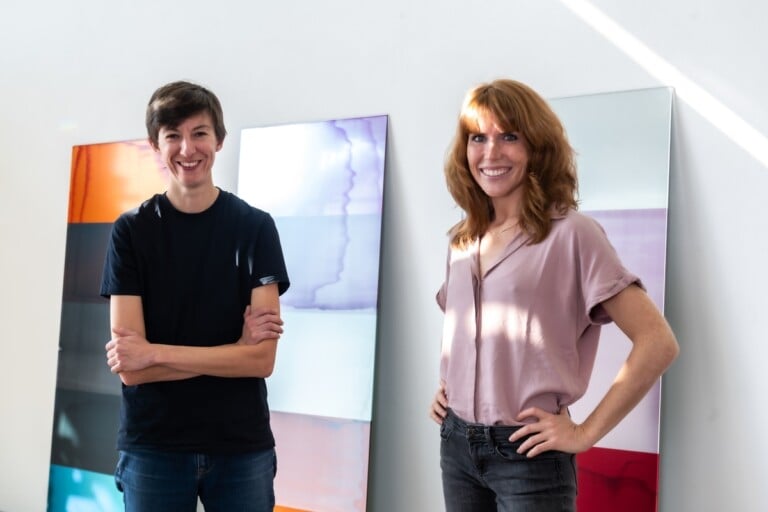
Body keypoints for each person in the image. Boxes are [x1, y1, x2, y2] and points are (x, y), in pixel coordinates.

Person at [429, 79, 679, 512]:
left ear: (537, 147)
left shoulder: (573, 235)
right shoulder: (462, 240)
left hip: (528, 457)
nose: (491, 153)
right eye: (478, 138)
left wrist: (584, 433)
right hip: (456, 444)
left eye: (509, 136)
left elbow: (658, 342)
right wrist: (449, 387)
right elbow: (468, 332)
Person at [101, 80, 290, 512]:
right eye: (173, 135)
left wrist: (156, 354)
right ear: (155, 144)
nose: (188, 148)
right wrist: (234, 352)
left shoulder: (255, 228)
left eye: (200, 133)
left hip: (241, 446)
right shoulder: (130, 232)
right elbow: (131, 367)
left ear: (219, 140)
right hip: (153, 446)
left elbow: (261, 360)